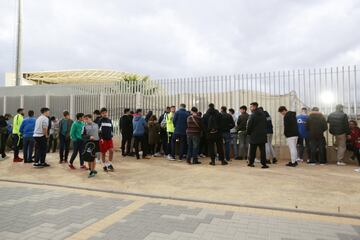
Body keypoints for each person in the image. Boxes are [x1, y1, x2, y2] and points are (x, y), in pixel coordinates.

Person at [247, 102, 269, 168]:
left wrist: (248, 132)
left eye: (251, 107)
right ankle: (264, 164)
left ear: (254, 107)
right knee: (262, 151)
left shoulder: (253, 115)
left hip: (254, 135)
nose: (250, 108)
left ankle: (251, 163)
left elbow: (249, 125)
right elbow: (266, 124)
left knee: (252, 150)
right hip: (262, 135)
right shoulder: (263, 114)